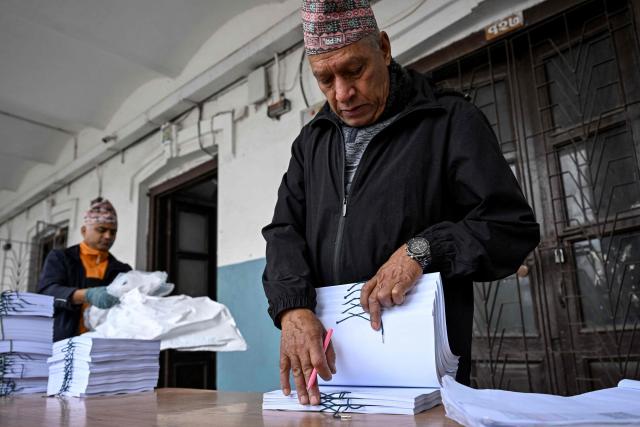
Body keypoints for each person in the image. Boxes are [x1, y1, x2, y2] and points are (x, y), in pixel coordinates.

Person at [262, 0, 540, 406]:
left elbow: (510, 227)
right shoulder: (312, 141)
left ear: (385, 49)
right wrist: (291, 310)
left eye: (354, 70)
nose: (342, 93)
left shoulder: (449, 120)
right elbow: (284, 230)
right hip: (335, 369)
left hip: (421, 373)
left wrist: (424, 249)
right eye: (325, 79)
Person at [38, 197, 131, 341]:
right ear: (83, 230)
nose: (108, 236)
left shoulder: (122, 270)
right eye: (102, 230)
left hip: (104, 345)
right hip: (62, 343)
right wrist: (87, 295)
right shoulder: (61, 258)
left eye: (113, 232)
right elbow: (47, 293)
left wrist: (148, 288)